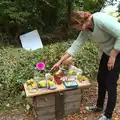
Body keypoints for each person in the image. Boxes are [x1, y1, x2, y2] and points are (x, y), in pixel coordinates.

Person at [51, 11, 120, 120]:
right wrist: (60, 62)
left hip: (117, 52)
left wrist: (113, 56)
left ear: (80, 22)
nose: (76, 29)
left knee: (110, 83)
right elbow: (76, 45)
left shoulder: (100, 20)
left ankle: (108, 115)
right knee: (101, 79)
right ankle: (99, 106)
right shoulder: (86, 29)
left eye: (76, 27)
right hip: (108, 52)